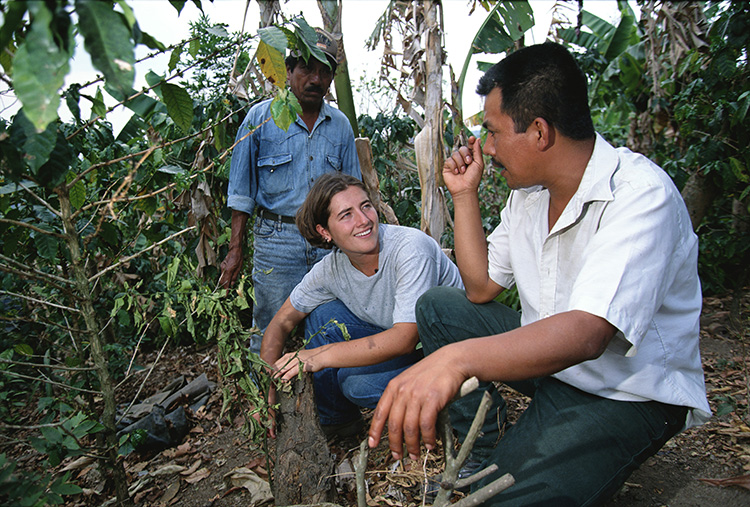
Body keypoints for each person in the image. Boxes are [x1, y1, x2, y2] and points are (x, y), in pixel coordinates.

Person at [368, 42, 711, 505]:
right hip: (558, 369)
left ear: (539, 132)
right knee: (439, 308)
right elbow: (480, 286)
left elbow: (588, 334)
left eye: (492, 132)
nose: (486, 148)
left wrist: (455, 360)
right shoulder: (530, 195)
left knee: (497, 500)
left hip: (624, 391)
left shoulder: (640, 195)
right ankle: (483, 448)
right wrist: (465, 195)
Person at [260, 173, 464, 438]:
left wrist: (318, 356)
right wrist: (267, 393)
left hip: (448, 349)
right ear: (325, 232)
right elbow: (280, 323)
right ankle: (338, 423)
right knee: (323, 317)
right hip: (405, 342)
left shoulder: (410, 248)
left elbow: (405, 338)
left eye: (366, 205)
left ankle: (448, 409)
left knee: (358, 385)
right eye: (346, 215)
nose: (364, 220)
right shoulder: (330, 270)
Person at [220, 28, 361, 354]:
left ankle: (324, 403)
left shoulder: (339, 126)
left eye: (324, 71)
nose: (316, 79)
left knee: (328, 324)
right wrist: (235, 249)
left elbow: (352, 189)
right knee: (269, 327)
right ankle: (264, 402)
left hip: (327, 242)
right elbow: (241, 191)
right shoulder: (260, 118)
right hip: (276, 240)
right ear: (289, 72)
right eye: (307, 69)